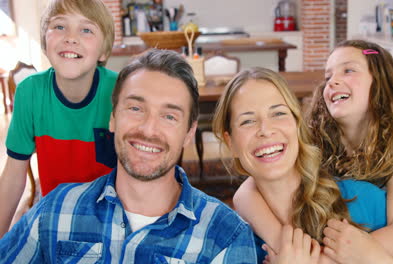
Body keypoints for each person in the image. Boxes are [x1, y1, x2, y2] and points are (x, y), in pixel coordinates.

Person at [0, 49, 258, 263]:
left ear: (189, 133)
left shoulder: (225, 237)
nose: (148, 129)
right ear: (113, 118)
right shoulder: (55, 210)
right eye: (135, 108)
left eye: (169, 116)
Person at [234, 40, 393, 263]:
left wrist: (336, 259)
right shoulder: (310, 143)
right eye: (328, 76)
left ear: (381, 81)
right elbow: (244, 194)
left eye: (348, 70)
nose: (333, 82)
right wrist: (281, 243)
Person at [212, 67, 393, 264]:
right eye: (247, 121)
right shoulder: (231, 244)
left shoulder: (362, 199)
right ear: (230, 143)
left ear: (297, 124)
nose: (265, 130)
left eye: (278, 113)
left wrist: (375, 258)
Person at [0, 0, 118, 237]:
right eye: (59, 26)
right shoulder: (29, 92)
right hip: (55, 216)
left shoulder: (120, 91)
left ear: (104, 51)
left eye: (86, 29)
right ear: (45, 41)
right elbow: (13, 176)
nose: (71, 37)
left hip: (111, 218)